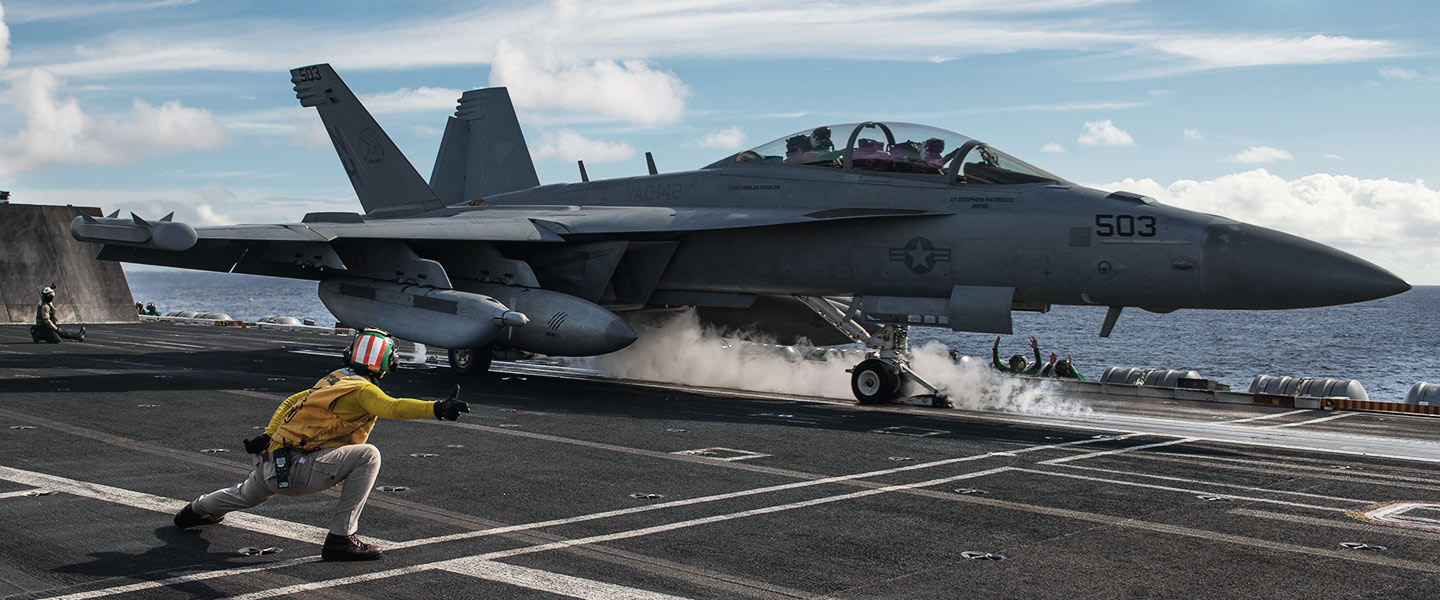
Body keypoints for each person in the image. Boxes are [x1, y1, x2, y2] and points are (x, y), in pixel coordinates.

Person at [173, 328, 470, 561]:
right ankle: (341, 539)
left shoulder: (334, 378)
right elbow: (393, 407)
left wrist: (268, 434)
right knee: (368, 455)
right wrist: (436, 408)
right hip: (297, 471)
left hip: (270, 463)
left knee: (245, 494)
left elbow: (292, 400)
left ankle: (193, 511)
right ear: (386, 364)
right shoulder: (362, 390)